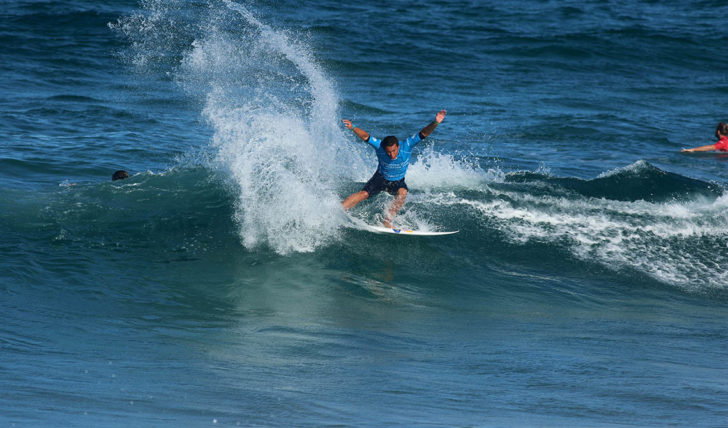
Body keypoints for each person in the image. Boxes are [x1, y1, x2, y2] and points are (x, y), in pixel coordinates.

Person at [341, 110, 447, 228]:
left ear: (398, 146)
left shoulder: (407, 145)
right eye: (388, 152)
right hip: (380, 178)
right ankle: (339, 209)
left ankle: (387, 221)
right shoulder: (380, 146)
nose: (392, 155)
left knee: (403, 193)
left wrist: (435, 123)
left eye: (394, 151)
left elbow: (424, 133)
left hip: (398, 181)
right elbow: (366, 136)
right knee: (364, 194)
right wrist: (353, 127)